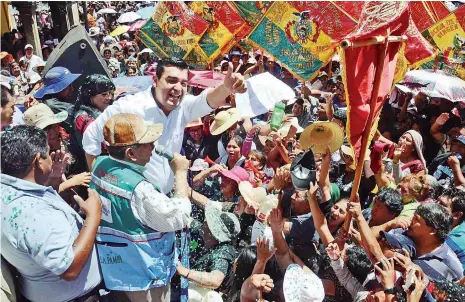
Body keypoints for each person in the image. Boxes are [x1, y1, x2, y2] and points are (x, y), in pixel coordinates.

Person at [83, 57, 246, 194]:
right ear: (155, 80)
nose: (178, 88)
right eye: (171, 81)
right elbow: (91, 135)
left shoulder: (184, 107)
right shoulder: (129, 107)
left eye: (183, 83)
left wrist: (225, 88)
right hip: (131, 201)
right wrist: (98, 182)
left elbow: (206, 100)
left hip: (166, 198)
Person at [90, 113, 192, 301]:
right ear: (130, 153)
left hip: (115, 265)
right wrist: (180, 172)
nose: (153, 147)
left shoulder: (100, 163)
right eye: (148, 143)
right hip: (144, 274)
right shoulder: (140, 190)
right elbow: (180, 217)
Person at [0, 125, 103, 302]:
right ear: (38, 160)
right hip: (74, 297)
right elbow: (69, 269)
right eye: (48, 153)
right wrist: (93, 216)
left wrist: (52, 179)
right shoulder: (33, 214)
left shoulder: (8, 191)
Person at [176, 203, 240, 293]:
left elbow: (215, 280)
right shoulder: (202, 230)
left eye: (209, 223)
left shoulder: (223, 251)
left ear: (212, 233)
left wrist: (183, 271)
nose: (205, 223)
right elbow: (185, 219)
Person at [72, 74, 115, 148]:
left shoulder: (106, 111)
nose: (109, 97)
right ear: (91, 97)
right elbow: (106, 145)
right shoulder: (83, 118)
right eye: (104, 94)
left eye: (110, 93)